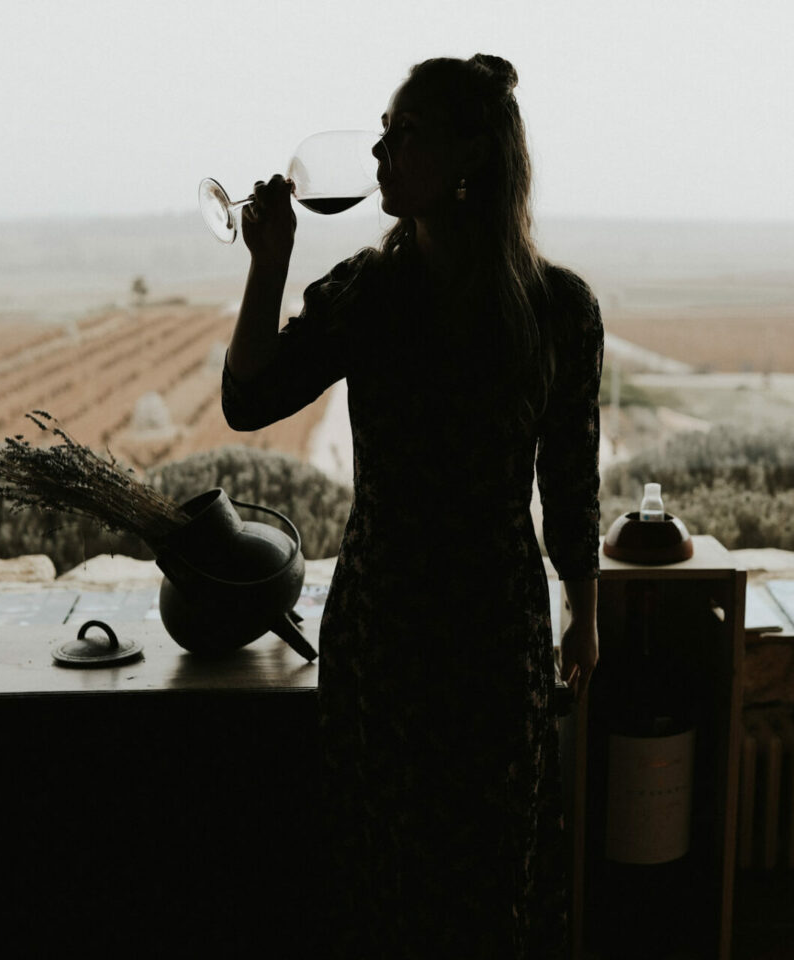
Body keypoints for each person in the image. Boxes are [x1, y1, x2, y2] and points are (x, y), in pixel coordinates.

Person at [221, 53, 602, 958]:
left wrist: (586, 616)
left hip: (480, 634)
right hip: (391, 630)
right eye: (383, 131)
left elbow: (571, 484)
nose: (382, 150)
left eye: (406, 133)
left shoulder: (558, 309)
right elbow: (249, 403)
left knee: (483, 864)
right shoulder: (370, 290)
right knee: (388, 869)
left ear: (472, 157)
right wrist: (267, 263)